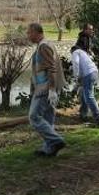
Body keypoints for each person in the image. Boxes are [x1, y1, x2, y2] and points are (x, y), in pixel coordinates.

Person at [27, 23, 67, 157]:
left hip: (44, 88)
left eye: (29, 33)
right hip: (46, 87)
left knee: (34, 117)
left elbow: (51, 68)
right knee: (48, 119)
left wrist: (51, 90)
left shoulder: (44, 46)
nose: (28, 35)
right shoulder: (43, 45)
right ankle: (49, 149)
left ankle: (56, 141)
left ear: (36, 32)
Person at [71, 44, 99, 125]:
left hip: (88, 74)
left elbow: (76, 64)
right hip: (94, 72)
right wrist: (76, 86)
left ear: (72, 51)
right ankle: (83, 114)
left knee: (89, 96)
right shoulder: (83, 53)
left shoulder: (75, 52)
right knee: (84, 94)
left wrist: (76, 76)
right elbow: (83, 68)